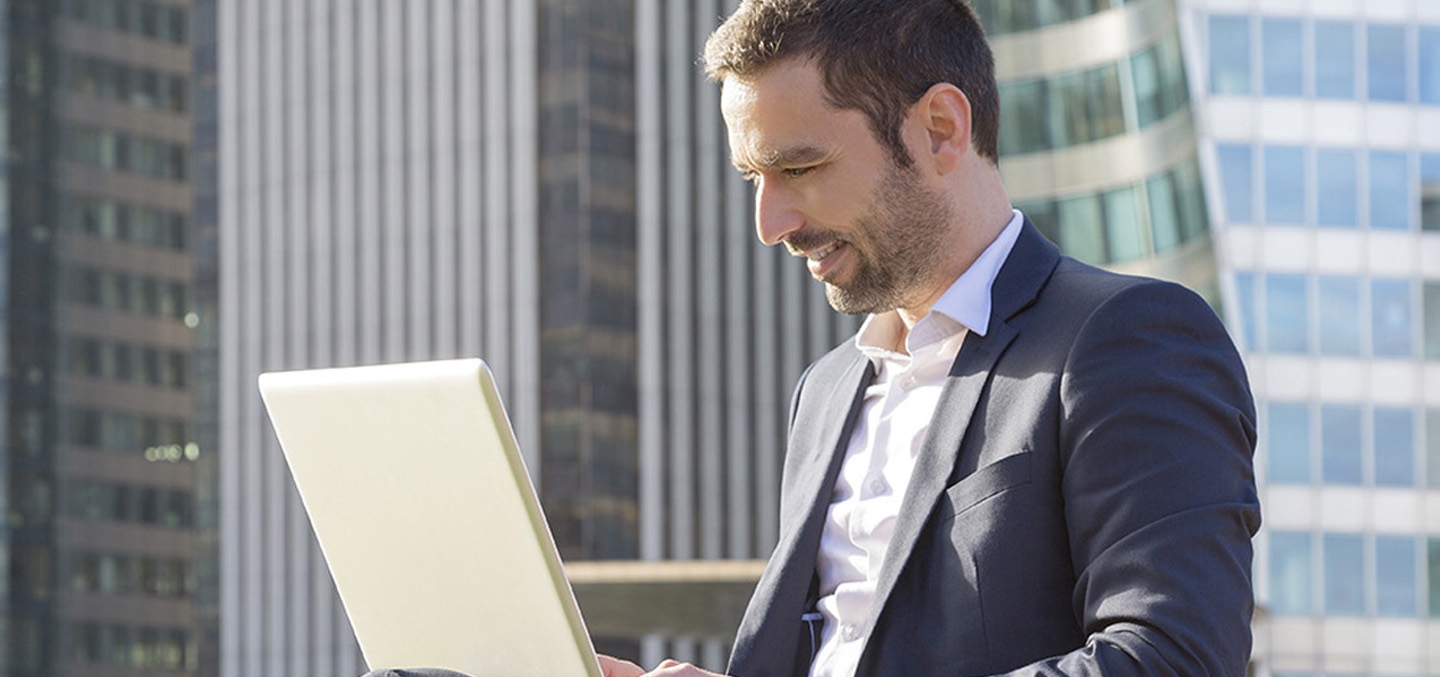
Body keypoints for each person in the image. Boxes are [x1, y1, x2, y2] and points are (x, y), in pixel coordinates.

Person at [366, 1, 1259, 675]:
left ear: (940, 130)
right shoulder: (827, 388)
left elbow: (1169, 655)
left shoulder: (1126, 339)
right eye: (754, 176)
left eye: (798, 167)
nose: (770, 220)